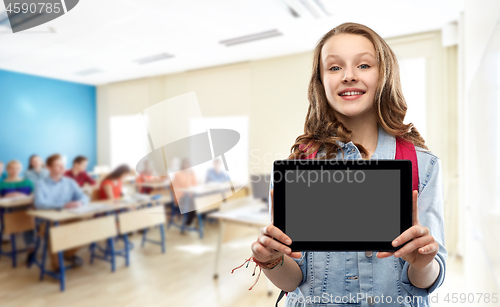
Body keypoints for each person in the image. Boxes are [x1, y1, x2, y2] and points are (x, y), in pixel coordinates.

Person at [248, 23, 446, 307]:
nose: (349, 76)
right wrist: (271, 260)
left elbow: (427, 279)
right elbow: (294, 281)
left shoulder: (422, 166)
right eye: (334, 68)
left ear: (384, 76)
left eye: (364, 65)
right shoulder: (296, 170)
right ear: (321, 81)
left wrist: (423, 263)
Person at [34, 154, 89, 271]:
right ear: (48, 167)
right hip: (47, 221)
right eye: (58, 166)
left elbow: (83, 196)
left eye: (63, 166)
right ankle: (57, 265)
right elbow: (39, 203)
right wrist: (63, 205)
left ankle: (67, 254)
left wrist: (80, 202)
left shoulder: (70, 182)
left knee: (87, 227)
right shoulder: (41, 183)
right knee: (55, 232)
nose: (62, 168)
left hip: (68, 216)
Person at [171, 158, 198, 229]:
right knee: (194, 201)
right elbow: (186, 185)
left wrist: (192, 174)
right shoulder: (178, 173)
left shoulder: (190, 173)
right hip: (180, 197)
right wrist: (189, 174)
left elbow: (195, 184)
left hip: (188, 196)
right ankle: (190, 220)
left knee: (198, 200)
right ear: (182, 164)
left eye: (188, 164)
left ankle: (194, 218)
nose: (186, 165)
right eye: (185, 164)